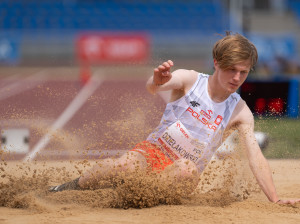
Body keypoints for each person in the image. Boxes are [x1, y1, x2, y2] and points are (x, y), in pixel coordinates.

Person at [49, 32, 300, 205]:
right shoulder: (190, 80)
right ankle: (68, 187)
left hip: (180, 175)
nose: (236, 78)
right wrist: (156, 82)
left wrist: (274, 198)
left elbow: (255, 155)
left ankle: (131, 195)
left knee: (185, 168)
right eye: (231, 70)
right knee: (124, 166)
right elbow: (153, 87)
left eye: (243, 72)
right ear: (216, 63)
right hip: (152, 153)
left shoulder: (240, 111)